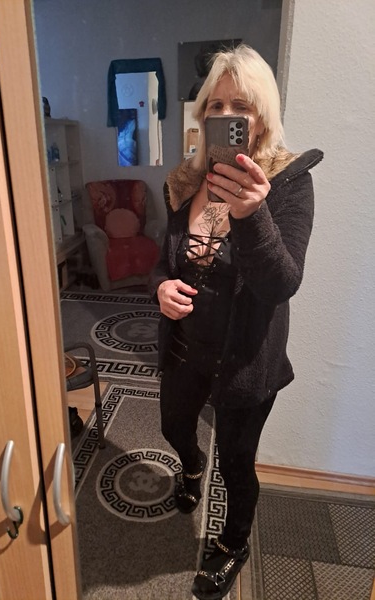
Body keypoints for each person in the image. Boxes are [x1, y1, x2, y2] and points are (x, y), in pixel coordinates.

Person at [149, 44, 323, 600]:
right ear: (202, 116)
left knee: (237, 462)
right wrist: (160, 286)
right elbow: (166, 259)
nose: (227, 116)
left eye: (241, 106)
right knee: (174, 428)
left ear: (262, 118)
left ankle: (233, 543)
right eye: (216, 105)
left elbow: (281, 283)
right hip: (185, 347)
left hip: (245, 357)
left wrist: (251, 214)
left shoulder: (288, 184)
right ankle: (190, 467)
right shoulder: (184, 181)